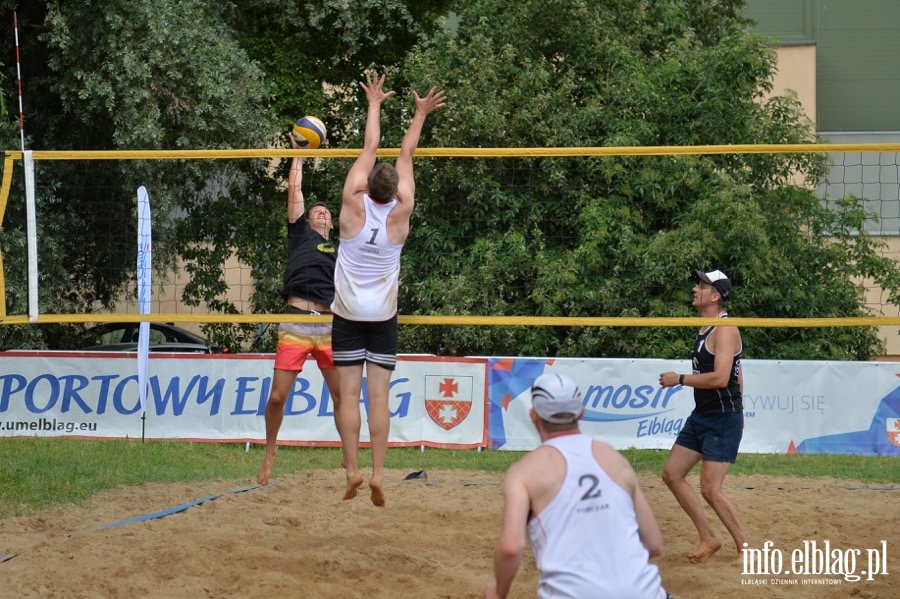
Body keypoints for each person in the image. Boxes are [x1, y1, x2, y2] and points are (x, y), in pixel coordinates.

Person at [331, 72, 446, 506]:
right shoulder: (403, 210)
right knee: (378, 397)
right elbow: (406, 151)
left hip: (346, 314)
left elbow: (371, 148)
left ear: (364, 187)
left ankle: (352, 470)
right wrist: (419, 113)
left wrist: (374, 103)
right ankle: (379, 472)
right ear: (394, 191)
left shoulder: (349, 205)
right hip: (381, 316)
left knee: (348, 396)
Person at [484, 373, 669, 599]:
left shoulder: (524, 472)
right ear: (580, 412)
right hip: (646, 592)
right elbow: (654, 544)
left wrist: (499, 592)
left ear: (534, 416)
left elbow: (511, 548)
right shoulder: (613, 458)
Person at [256, 133, 340, 485]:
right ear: (308, 220)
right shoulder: (300, 234)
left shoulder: (341, 248)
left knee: (342, 397)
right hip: (296, 321)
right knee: (277, 397)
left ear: (331, 224)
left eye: (326, 211)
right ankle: (271, 448)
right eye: (316, 210)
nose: (320, 210)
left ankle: (351, 461)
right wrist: (298, 156)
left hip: (332, 326)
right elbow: (295, 193)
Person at [658, 268, 747, 563]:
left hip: (722, 417)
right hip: (704, 415)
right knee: (672, 474)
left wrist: (679, 379)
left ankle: (747, 550)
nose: (695, 289)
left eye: (702, 285)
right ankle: (708, 537)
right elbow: (738, 373)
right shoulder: (706, 329)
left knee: (710, 488)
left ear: (716, 295)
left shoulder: (725, 329)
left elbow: (722, 378)